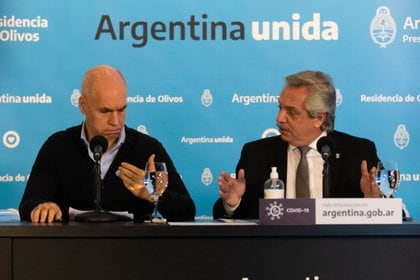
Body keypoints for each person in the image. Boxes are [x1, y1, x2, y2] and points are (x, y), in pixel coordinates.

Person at [19, 65, 196, 223]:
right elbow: (29, 203)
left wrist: (155, 195)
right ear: (83, 105)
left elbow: (187, 210)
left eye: (122, 110)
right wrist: (43, 207)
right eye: (105, 111)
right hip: (71, 251)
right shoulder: (58, 146)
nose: (115, 121)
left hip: (136, 252)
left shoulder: (148, 149)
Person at [213, 70, 381, 219]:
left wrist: (375, 202)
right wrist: (232, 204)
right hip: (273, 251)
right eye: (280, 108)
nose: (279, 119)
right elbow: (231, 221)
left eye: (291, 112)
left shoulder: (359, 153)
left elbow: (396, 217)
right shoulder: (256, 153)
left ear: (319, 118)